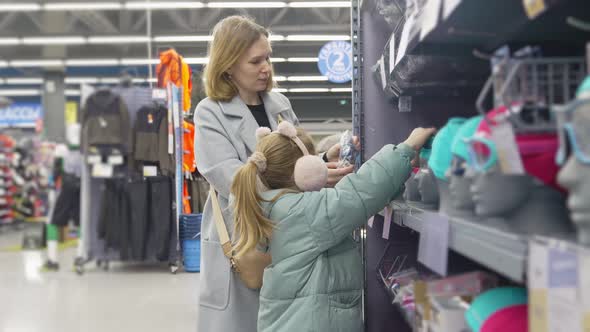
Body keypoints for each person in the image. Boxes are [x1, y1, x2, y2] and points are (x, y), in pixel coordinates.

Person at [193, 15, 355, 332]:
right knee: (240, 322)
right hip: (243, 235)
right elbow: (231, 179)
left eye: (268, 56)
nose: (266, 67)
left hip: (285, 233)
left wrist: (321, 159)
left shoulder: (279, 103)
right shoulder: (210, 112)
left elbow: (293, 158)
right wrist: (305, 177)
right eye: (255, 61)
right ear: (228, 66)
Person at [231, 122, 435, 332]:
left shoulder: (274, 205)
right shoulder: (302, 212)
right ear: (301, 171)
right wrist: (405, 148)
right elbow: (358, 193)